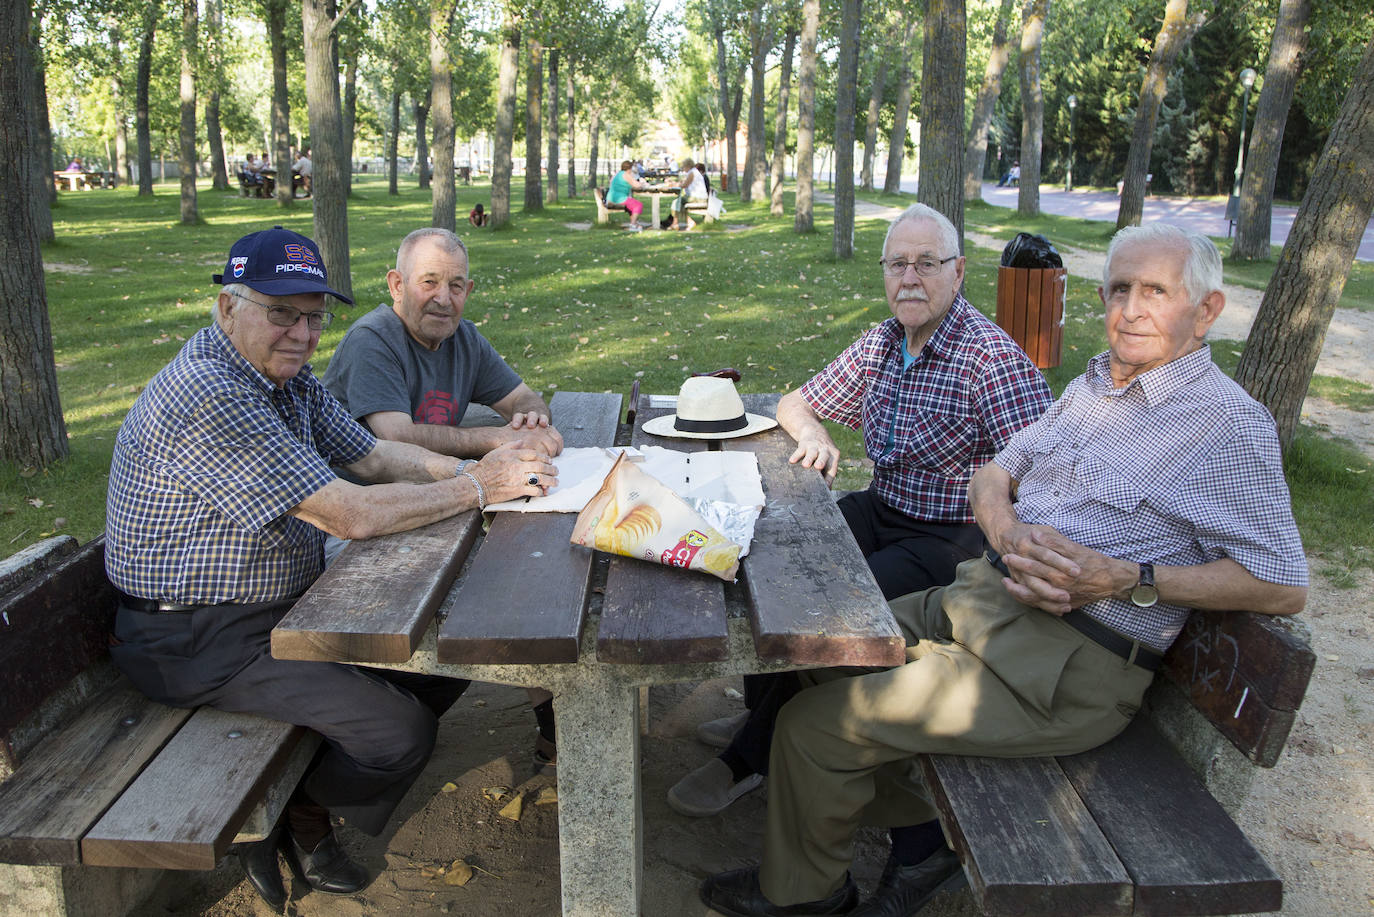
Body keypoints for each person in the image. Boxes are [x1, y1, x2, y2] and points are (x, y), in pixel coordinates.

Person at [696, 222, 1308, 917]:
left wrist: (1124, 576)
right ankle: (918, 839)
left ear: (1206, 310)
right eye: (1119, 289)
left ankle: (807, 896)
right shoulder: (1096, 386)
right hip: (986, 600)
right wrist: (1007, 527)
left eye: (1156, 292)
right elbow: (995, 470)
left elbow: (1282, 582)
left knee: (813, 727)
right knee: (817, 646)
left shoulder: (1227, 425)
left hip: (1066, 661)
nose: (1131, 308)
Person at [104, 226, 558, 910]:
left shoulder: (282, 380)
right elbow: (352, 515)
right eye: (281, 312)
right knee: (400, 732)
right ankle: (297, 816)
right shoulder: (212, 395)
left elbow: (375, 457)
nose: (303, 333)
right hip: (196, 640)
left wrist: (488, 469)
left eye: (314, 316)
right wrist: (477, 488)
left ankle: (302, 799)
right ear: (228, 307)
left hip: (283, 611)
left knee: (445, 652)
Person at [667, 203, 1053, 819]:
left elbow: (1045, 472)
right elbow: (796, 402)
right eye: (898, 263)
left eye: (927, 263)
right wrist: (815, 436)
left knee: (832, 610)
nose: (910, 277)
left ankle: (748, 760)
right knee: (774, 558)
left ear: (959, 273)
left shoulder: (990, 360)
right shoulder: (882, 344)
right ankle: (761, 713)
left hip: (951, 539)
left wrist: (1004, 536)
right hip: (886, 506)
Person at [322, 226, 564, 769]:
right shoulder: (373, 340)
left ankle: (552, 712)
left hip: (435, 505)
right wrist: (494, 441)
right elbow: (391, 436)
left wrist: (529, 418)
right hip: (361, 528)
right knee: (499, 582)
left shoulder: (464, 338)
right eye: (429, 282)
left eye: (456, 285)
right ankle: (538, 711)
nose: (443, 297)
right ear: (396, 284)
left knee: (530, 563)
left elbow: (522, 394)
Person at [664, 156, 710, 230]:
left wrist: (675, 184)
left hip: (698, 197)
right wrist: (676, 183)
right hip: (699, 197)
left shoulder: (692, 173)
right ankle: (676, 223)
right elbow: (684, 182)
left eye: (684, 167)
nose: (683, 168)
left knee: (676, 203)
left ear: (688, 166)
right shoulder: (693, 172)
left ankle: (684, 223)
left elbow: (685, 185)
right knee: (678, 202)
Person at [607, 159, 648, 231]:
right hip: (618, 198)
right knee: (638, 205)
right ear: (630, 168)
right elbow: (636, 185)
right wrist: (643, 183)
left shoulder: (619, 173)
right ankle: (632, 225)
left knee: (632, 204)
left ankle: (634, 223)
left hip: (612, 197)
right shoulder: (626, 174)